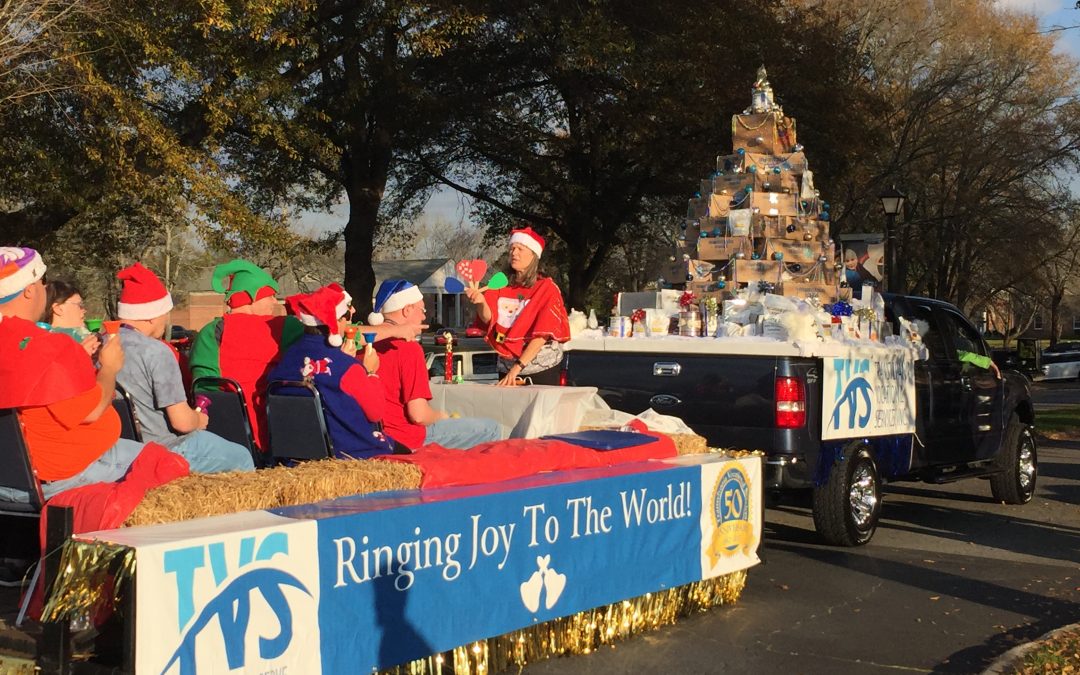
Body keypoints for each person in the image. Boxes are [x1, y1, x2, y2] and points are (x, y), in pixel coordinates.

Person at [0, 248, 188, 501]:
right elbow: (92, 411)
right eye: (43, 283)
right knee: (172, 470)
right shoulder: (49, 346)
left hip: (10, 478)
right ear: (29, 289)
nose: (45, 290)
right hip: (64, 475)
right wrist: (108, 367)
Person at [113, 262, 254, 473]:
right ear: (151, 314)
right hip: (166, 449)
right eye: (165, 313)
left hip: (121, 450)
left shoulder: (100, 346)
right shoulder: (156, 352)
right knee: (242, 456)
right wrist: (198, 418)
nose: (166, 320)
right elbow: (182, 423)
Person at [189, 259, 305, 452]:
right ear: (253, 296)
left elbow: (204, 388)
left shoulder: (209, 333)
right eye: (270, 296)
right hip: (279, 435)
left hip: (223, 437)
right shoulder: (285, 327)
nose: (275, 302)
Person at [369, 279, 501, 449]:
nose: (425, 316)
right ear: (407, 310)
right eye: (422, 310)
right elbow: (418, 415)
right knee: (491, 429)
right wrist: (441, 416)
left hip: (373, 437)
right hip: (405, 438)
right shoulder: (408, 348)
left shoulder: (363, 345)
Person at [268, 283, 395, 459]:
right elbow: (376, 412)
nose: (349, 321)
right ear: (335, 322)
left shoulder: (286, 359)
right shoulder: (347, 368)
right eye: (347, 316)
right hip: (348, 452)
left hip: (296, 454)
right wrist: (371, 373)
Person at [464, 226, 570, 386]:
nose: (514, 253)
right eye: (512, 248)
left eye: (520, 249)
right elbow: (489, 320)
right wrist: (481, 302)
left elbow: (542, 335)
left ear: (533, 255)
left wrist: (517, 368)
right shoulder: (500, 284)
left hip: (541, 368)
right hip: (506, 365)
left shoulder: (546, 288)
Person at [43, 279, 99, 356]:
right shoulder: (81, 337)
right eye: (79, 305)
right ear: (58, 309)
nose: (84, 310)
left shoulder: (39, 339)